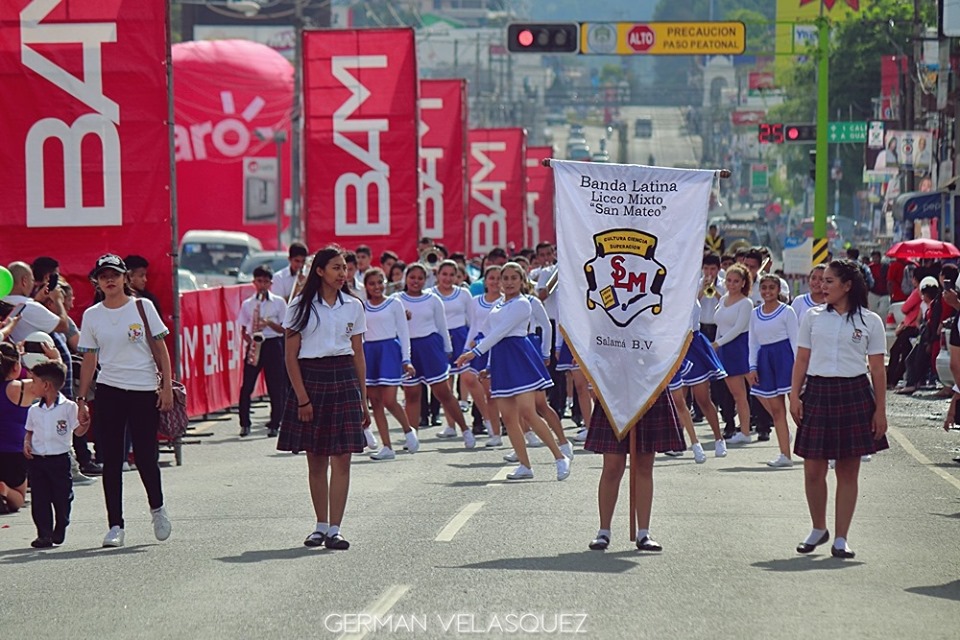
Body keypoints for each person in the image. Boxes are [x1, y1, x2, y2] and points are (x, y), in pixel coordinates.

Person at [790, 259, 888, 559]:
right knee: (812, 469)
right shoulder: (812, 317)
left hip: (854, 393)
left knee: (847, 470)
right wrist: (794, 396)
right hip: (818, 392)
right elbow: (802, 359)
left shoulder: (870, 321)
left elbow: (877, 369)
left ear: (847, 286)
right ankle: (818, 528)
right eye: (821, 280)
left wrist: (880, 411)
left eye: (829, 281)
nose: (822, 285)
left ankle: (841, 538)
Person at [76, 254, 173, 549]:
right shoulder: (92, 315)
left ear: (124, 278)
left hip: (143, 389)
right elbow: (89, 359)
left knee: (145, 457)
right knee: (112, 459)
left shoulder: (142, 307)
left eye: (115, 275)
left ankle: (157, 508)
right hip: (110, 390)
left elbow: (161, 349)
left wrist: (166, 387)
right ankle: (115, 525)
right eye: (103, 276)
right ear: (96, 281)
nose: (110, 280)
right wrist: (81, 399)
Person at [279, 247, 370, 550]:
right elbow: (290, 357)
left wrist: (363, 400)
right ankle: (319, 526)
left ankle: (335, 530)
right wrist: (302, 399)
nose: (343, 273)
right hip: (311, 378)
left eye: (344, 268)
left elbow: (358, 355)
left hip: (344, 378)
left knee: (343, 457)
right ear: (319, 271)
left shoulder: (354, 305)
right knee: (316, 458)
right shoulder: (299, 306)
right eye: (336, 267)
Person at [456, 263, 570, 482]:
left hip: (519, 357)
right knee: (508, 417)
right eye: (505, 278)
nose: (509, 282)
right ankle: (525, 465)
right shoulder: (497, 305)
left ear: (522, 281)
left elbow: (500, 332)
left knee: (528, 412)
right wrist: (488, 366)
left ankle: (559, 456)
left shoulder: (523, 304)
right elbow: (487, 332)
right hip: (501, 360)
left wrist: (473, 353)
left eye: (513, 278)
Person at [585, 393, 684, 552]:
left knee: (644, 466)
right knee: (612, 467)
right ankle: (603, 531)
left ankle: (644, 533)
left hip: (650, 392)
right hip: (614, 395)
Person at [397, 264, 474, 447]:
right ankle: (412, 437)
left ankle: (465, 429)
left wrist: (448, 349)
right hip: (408, 348)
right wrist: (400, 316)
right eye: (412, 277)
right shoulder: (396, 300)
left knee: (443, 392)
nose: (416, 281)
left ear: (426, 280)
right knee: (412, 394)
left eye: (420, 278)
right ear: (406, 278)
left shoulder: (433, 299)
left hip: (430, 347)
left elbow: (441, 326)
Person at [23, 360, 87, 548]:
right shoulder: (34, 410)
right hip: (38, 460)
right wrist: (27, 443)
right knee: (40, 498)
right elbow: (29, 431)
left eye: (34, 381)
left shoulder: (68, 407)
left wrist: (85, 424)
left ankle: (61, 524)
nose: (31, 386)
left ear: (46, 385)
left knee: (62, 496)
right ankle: (44, 534)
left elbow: (78, 431)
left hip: (59, 459)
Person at [361, 268, 419, 460]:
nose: (377, 287)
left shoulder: (394, 303)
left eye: (380, 282)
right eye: (372, 284)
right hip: (370, 353)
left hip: (389, 352)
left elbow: (403, 332)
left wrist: (406, 359)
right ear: (366, 286)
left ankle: (408, 430)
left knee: (389, 399)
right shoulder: (362, 306)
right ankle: (387, 447)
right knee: (375, 402)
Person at [0, 341, 59, 514]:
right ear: (16, 367)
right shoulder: (21, 389)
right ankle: (4, 489)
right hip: (13, 452)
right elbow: (53, 379)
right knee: (18, 498)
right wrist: (54, 357)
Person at [748, 275, 799, 468]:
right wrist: (753, 366)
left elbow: (795, 341)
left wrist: (798, 368)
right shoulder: (755, 313)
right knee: (777, 411)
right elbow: (753, 342)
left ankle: (822, 452)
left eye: (771, 288)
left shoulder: (787, 311)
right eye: (764, 288)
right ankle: (785, 455)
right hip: (765, 361)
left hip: (785, 360)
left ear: (778, 290)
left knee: (797, 409)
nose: (767, 291)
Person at [237, 265, 289, 438]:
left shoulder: (279, 302)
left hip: (273, 344)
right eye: (259, 281)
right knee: (247, 386)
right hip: (256, 344)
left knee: (275, 386)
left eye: (266, 282)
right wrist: (251, 342)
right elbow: (243, 329)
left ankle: (275, 423)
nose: (262, 285)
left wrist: (268, 323)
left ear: (271, 284)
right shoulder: (248, 304)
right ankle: (245, 423)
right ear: (254, 282)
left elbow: (284, 329)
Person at [462, 265, 504, 446]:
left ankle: (521, 430)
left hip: (498, 348)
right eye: (491, 278)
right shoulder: (476, 301)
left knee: (498, 393)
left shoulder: (506, 301)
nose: (495, 282)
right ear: (485, 281)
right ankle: (493, 429)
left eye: (498, 278)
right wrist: (466, 349)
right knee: (483, 389)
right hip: (479, 349)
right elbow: (474, 326)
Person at [713, 264, 755, 443]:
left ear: (743, 283)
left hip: (739, 347)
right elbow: (720, 324)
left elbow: (738, 329)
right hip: (724, 348)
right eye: (729, 280)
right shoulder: (723, 299)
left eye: (736, 281)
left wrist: (718, 343)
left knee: (754, 391)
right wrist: (716, 344)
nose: (732, 284)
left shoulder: (746, 303)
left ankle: (751, 429)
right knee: (737, 394)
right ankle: (744, 432)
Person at [2, 261, 69, 343]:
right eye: (32, 280)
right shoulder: (30, 306)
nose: (33, 284)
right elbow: (63, 326)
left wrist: (38, 299)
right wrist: (57, 299)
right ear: (24, 281)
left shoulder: (3, 302)